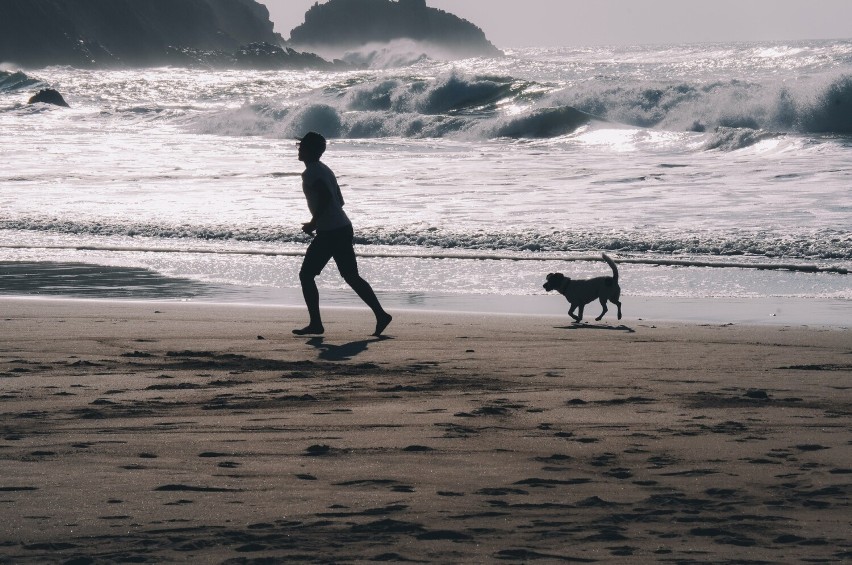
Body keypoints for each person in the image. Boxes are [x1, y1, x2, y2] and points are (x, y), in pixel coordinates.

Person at [293, 131, 392, 336]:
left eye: (301, 146)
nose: (299, 149)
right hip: (342, 227)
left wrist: (314, 223)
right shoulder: (325, 169)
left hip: (330, 232)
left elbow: (328, 197)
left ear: (311, 150)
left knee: (306, 275)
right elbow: (340, 200)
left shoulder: (311, 172)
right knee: (351, 276)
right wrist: (321, 220)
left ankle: (316, 324)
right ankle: (381, 315)